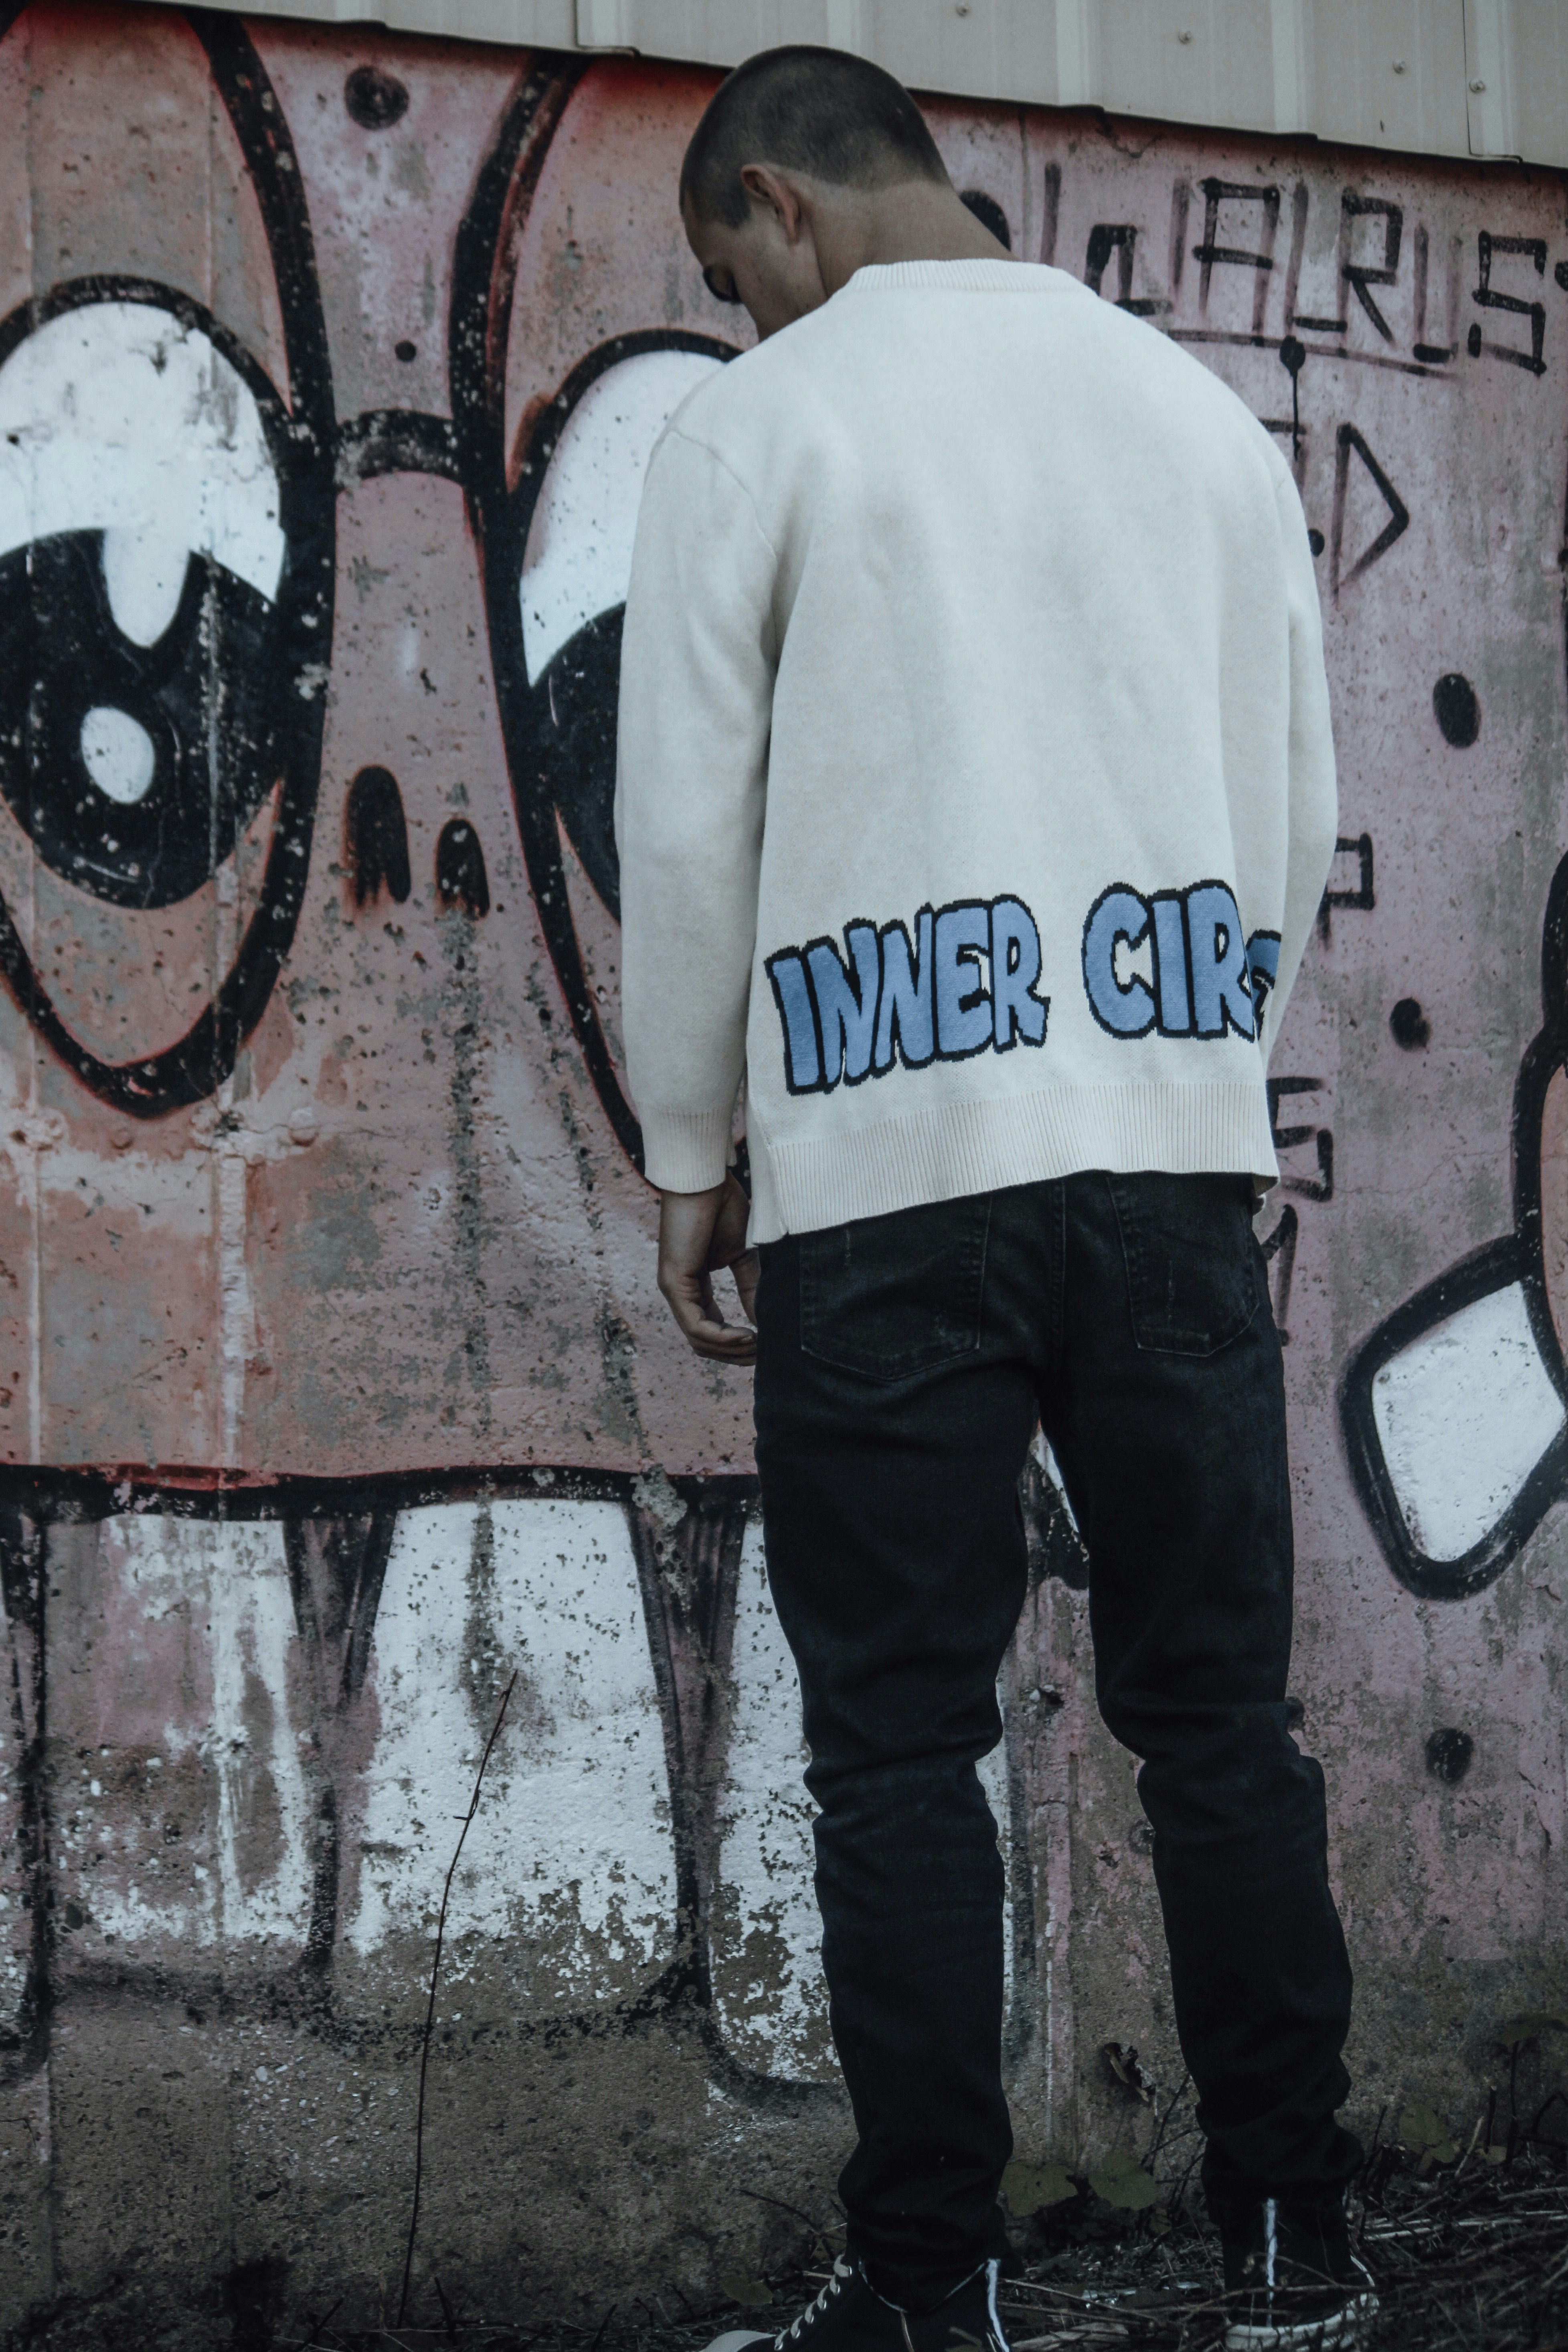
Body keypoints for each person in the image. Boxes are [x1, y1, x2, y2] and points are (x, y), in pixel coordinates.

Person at [614, 46, 1371, 2352]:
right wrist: (1178, 1043)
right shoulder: (1189, 414)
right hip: (1157, 1158)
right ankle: (1288, 2258)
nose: (736, 312)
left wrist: (692, 1146)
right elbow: (1291, 797)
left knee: (893, 1754)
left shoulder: (759, 427)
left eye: (721, 270)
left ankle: (932, 2296)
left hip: (878, 1179)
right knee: (1218, 1729)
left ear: (775, 203)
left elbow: (681, 823)